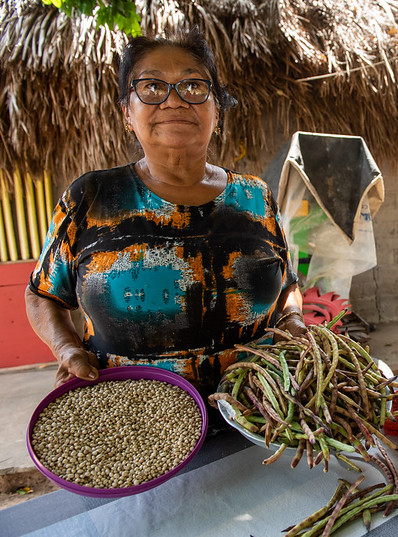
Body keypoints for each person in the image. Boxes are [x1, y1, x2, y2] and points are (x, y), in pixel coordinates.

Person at [25, 28, 306, 397]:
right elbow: (42, 294)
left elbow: (287, 287)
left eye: (193, 86)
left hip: (258, 409)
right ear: (127, 113)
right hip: (135, 412)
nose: (174, 101)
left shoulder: (255, 197)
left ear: (217, 111)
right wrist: (67, 349)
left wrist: (295, 321)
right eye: (153, 87)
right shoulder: (92, 198)